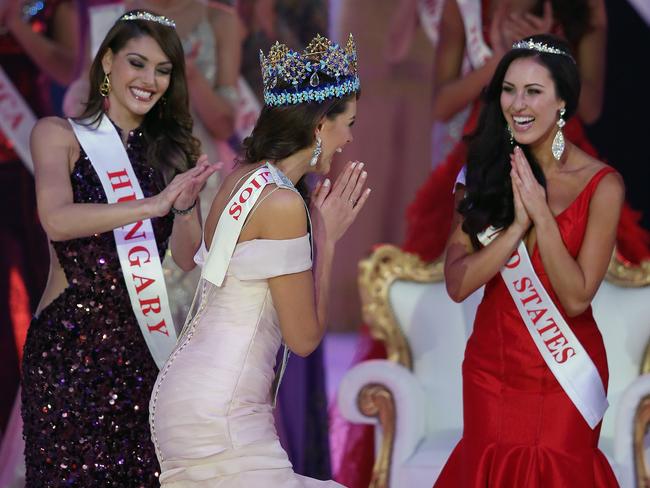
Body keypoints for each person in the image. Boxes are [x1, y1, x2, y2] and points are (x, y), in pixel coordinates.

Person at [149, 33, 369, 486]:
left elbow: (197, 263)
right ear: (319, 124)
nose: (349, 138)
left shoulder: (243, 176)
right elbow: (303, 338)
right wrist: (325, 242)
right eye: (348, 123)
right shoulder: (283, 204)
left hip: (185, 396)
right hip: (221, 413)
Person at [21, 10, 218, 486]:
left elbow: (188, 256)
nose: (149, 80)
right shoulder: (58, 135)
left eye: (163, 70)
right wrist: (152, 206)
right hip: (66, 352)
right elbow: (57, 220)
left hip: (139, 352)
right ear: (107, 62)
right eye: (137, 63)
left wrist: (186, 207)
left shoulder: (171, 152)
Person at [437, 34, 619, 486]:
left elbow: (576, 297)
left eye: (534, 91)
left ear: (562, 103)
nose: (518, 103)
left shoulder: (603, 185)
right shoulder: (480, 173)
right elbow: (458, 284)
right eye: (509, 89)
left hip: (565, 373)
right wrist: (516, 229)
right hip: (490, 370)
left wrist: (541, 212)